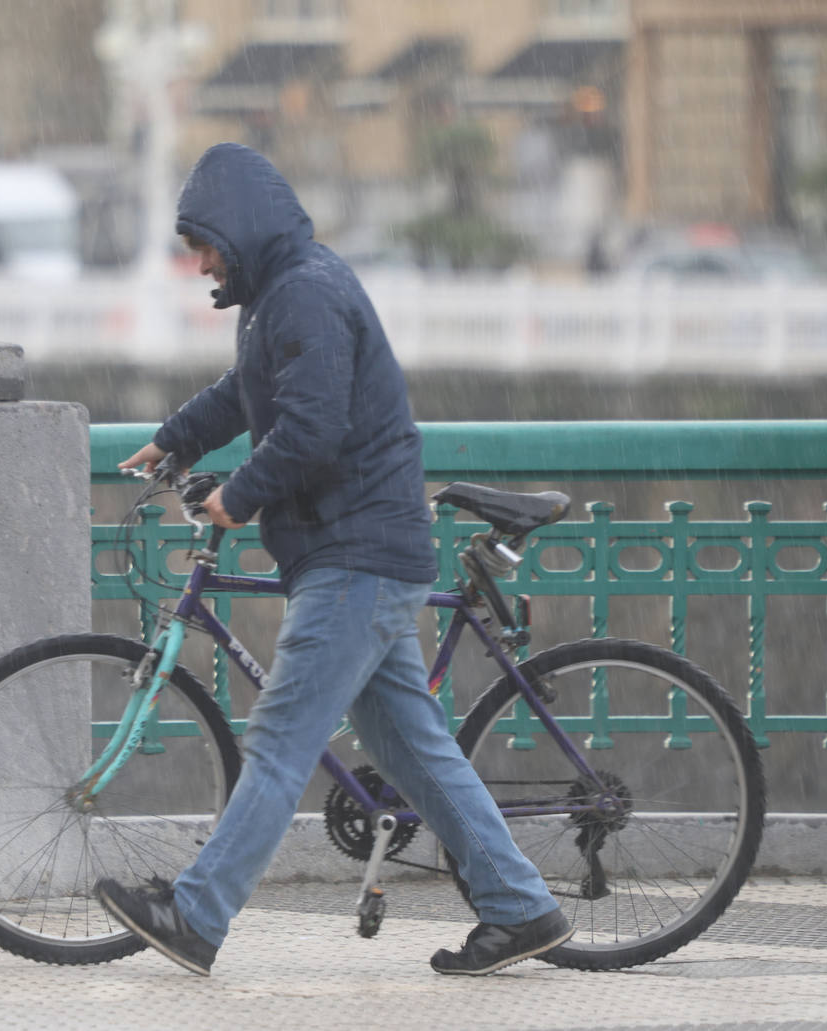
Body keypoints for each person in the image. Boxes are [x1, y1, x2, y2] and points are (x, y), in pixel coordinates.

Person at [97, 142, 570, 977]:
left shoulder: (306, 295)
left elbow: (311, 428)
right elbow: (247, 391)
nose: (199, 262)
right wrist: (174, 438)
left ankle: (195, 915)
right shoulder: (280, 294)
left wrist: (237, 496)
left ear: (239, 230)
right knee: (414, 750)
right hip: (360, 549)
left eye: (204, 244)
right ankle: (521, 907)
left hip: (356, 554)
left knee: (279, 738)